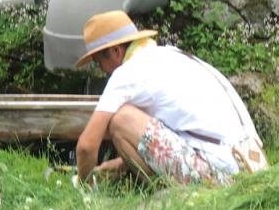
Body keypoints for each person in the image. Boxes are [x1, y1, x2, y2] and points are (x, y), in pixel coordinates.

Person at [74, 10, 267, 189]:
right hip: (253, 168)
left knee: (120, 120)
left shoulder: (127, 72)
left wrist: (84, 184)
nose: (102, 71)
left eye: (100, 61)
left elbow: (86, 145)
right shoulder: (170, 55)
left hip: (223, 178)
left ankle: (170, 199)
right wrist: (122, 163)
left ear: (116, 51)